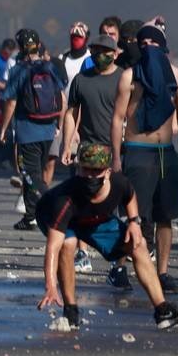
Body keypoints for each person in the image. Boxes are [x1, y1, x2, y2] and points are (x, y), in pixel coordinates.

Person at [36, 143, 178, 330]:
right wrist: (50, 285)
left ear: (107, 171)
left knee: (138, 244)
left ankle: (162, 311)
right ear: (78, 168)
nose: (90, 176)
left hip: (93, 219)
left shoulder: (119, 183)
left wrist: (134, 222)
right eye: (86, 170)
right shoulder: (64, 199)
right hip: (55, 217)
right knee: (68, 243)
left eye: (96, 171)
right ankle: (71, 311)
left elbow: (130, 196)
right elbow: (53, 246)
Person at [111, 23, 178, 294]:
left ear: (163, 49)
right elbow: (118, 118)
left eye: (153, 45)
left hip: (165, 152)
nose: (148, 49)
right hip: (137, 150)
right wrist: (116, 158)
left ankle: (163, 272)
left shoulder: (177, 78)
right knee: (134, 216)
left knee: (165, 216)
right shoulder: (130, 77)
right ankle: (120, 266)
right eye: (143, 45)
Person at [60, 28, 122, 277]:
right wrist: (67, 144)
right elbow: (71, 112)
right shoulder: (81, 80)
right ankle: (83, 253)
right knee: (84, 203)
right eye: (95, 52)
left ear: (115, 55)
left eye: (105, 52)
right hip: (88, 149)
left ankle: (118, 262)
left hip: (115, 148)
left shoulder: (123, 80)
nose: (100, 56)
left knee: (113, 204)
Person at [0, 29, 66, 230]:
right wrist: (59, 125)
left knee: (31, 174)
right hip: (48, 129)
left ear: (20, 47)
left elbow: (11, 101)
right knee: (34, 173)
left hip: (27, 131)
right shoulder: (50, 67)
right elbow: (62, 98)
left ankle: (56, 206)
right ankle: (30, 216)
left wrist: (4, 128)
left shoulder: (18, 70)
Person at [44, 22, 94, 184]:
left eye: (79, 37)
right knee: (67, 155)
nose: (75, 40)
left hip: (86, 112)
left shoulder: (90, 59)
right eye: (73, 37)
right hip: (68, 112)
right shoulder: (63, 58)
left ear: (85, 38)